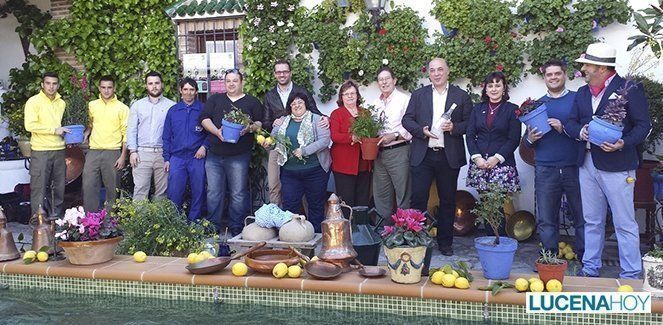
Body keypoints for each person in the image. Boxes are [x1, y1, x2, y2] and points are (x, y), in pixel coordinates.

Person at [564, 43, 651, 279]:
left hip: (619, 165)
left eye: (587, 65)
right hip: (587, 162)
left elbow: (644, 125)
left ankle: (631, 273)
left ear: (601, 68)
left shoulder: (629, 88)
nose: (582, 68)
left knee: (624, 222)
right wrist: (579, 132)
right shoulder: (582, 93)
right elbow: (571, 122)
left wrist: (623, 142)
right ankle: (590, 268)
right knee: (591, 220)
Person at [402, 58, 473, 256]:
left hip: (447, 156)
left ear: (448, 71)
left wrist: (455, 127)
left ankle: (445, 243)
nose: (436, 73)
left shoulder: (461, 96)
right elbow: (407, 120)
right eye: (432, 70)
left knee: (448, 201)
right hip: (423, 155)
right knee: (418, 199)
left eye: (440, 69)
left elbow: (470, 123)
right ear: (429, 73)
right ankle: (417, 241)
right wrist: (420, 131)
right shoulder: (419, 95)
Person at [524, 60, 584, 261]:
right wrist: (530, 139)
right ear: (544, 78)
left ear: (565, 75)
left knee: (582, 218)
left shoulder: (578, 100)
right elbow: (527, 140)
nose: (553, 77)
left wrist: (563, 127)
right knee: (547, 220)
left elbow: (586, 132)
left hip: (575, 166)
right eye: (549, 75)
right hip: (545, 168)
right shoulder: (537, 105)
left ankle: (587, 261)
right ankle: (548, 261)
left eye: (557, 73)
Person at [200, 69, 264, 236]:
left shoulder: (252, 101)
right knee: (213, 192)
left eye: (235, 80)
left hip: (239, 155)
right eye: (228, 81)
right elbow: (204, 118)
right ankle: (213, 227)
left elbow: (259, 122)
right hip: (215, 154)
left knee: (238, 192)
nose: (231, 84)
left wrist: (249, 128)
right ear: (224, 82)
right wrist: (216, 132)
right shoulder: (215, 99)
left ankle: (236, 227)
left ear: (241, 82)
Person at [263, 59, 327, 206]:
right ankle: (278, 222)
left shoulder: (301, 91)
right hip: (279, 145)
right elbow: (265, 121)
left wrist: (325, 119)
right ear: (274, 74)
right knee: (274, 185)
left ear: (290, 73)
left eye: (285, 71)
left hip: (303, 143)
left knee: (306, 190)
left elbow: (314, 111)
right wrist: (273, 123)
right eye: (278, 72)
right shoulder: (269, 95)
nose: (282, 74)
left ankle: (308, 225)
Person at [270, 92, 331, 232]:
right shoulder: (283, 121)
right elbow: (273, 139)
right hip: (290, 172)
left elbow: (325, 140)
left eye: (300, 102)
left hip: (315, 170)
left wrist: (304, 151)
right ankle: (293, 236)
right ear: (289, 107)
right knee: (290, 205)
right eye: (293, 104)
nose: (297, 105)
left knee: (315, 205)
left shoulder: (317, 119)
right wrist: (267, 142)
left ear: (306, 104)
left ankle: (315, 237)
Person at [465, 71, 521, 193]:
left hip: (502, 166)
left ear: (504, 88)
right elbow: (470, 135)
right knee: (483, 205)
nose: (494, 89)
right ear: (485, 89)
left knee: (499, 208)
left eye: (498, 85)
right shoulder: (477, 109)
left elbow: (514, 139)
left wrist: (496, 158)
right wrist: (476, 157)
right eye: (490, 86)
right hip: (480, 164)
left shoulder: (512, 109)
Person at [162, 77, 207, 221]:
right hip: (177, 158)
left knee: (198, 190)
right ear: (181, 91)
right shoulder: (173, 111)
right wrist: (167, 159)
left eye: (191, 89)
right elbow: (166, 136)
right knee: (175, 192)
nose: (188, 93)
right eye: (185, 89)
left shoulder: (203, 110)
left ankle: (194, 222)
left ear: (196, 92)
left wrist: (204, 147)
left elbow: (211, 133)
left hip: (197, 157)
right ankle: (175, 222)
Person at [82, 76, 129, 212]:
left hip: (113, 151)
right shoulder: (92, 105)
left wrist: (123, 156)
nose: (106, 90)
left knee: (113, 188)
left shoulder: (122, 108)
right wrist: (86, 133)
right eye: (103, 87)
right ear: (99, 88)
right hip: (94, 151)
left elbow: (126, 133)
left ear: (114, 88)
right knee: (88, 185)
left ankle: (111, 221)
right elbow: (90, 125)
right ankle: (90, 219)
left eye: (109, 87)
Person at [24, 72, 68, 218]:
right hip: (41, 150)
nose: (51, 86)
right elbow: (29, 125)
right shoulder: (33, 101)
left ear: (58, 85)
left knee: (59, 187)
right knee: (39, 187)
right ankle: (38, 221)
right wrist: (53, 130)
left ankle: (56, 219)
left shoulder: (62, 103)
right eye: (48, 83)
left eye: (54, 83)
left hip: (59, 150)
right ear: (42, 85)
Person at [371, 67, 413, 220]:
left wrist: (394, 135)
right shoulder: (375, 103)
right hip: (379, 154)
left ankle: (404, 234)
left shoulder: (404, 100)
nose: (384, 82)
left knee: (403, 195)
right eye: (381, 79)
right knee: (381, 195)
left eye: (387, 78)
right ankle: (384, 233)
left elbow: (411, 126)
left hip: (399, 151)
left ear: (394, 80)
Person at [126, 71, 176, 201]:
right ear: (146, 86)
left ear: (162, 84)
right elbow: (131, 130)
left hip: (163, 154)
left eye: (157, 83)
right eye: (150, 83)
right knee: (140, 191)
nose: (154, 86)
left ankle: (158, 221)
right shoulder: (137, 106)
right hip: (142, 154)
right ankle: (139, 221)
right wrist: (132, 151)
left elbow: (174, 133)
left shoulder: (171, 106)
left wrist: (170, 156)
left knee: (162, 192)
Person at [329, 80, 371, 207]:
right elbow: (334, 136)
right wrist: (351, 137)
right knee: (347, 201)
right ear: (341, 97)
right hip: (344, 165)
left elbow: (371, 133)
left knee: (363, 200)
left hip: (364, 163)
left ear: (358, 95)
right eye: (346, 94)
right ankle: (348, 226)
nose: (350, 96)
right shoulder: (337, 114)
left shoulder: (365, 113)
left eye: (353, 93)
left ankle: (361, 226)